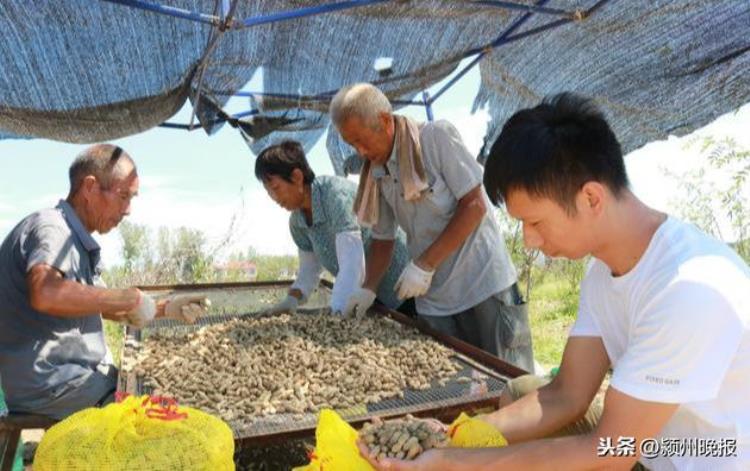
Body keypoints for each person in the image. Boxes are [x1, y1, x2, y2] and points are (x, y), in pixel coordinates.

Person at [359, 93, 750, 470]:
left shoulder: (687, 289)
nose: (528, 241)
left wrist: (455, 463)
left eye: (535, 222)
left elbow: (611, 455)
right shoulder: (603, 273)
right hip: (651, 445)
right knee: (521, 392)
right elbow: (567, 394)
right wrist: (454, 435)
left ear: (591, 199)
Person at [329, 83, 532, 371]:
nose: (360, 152)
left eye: (361, 140)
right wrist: (368, 289)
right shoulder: (377, 172)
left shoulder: (436, 139)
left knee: (507, 379)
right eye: (352, 145)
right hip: (435, 300)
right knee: (453, 381)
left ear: (385, 121)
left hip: (482, 285)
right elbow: (383, 239)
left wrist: (424, 264)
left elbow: (474, 205)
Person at [0, 144, 209, 420]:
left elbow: (98, 303)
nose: (128, 210)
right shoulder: (52, 227)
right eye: (123, 196)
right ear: (90, 187)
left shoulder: (77, 242)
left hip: (73, 377)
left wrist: (164, 309)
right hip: (52, 384)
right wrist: (125, 297)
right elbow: (46, 293)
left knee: (164, 396)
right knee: (157, 420)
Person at [254, 140, 415, 316]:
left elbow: (352, 264)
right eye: (268, 191)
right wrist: (292, 299)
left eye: (276, 188)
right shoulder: (298, 223)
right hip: (370, 297)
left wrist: (336, 312)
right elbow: (309, 268)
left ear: (297, 177)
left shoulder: (335, 196)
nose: (273, 197)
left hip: (405, 286)